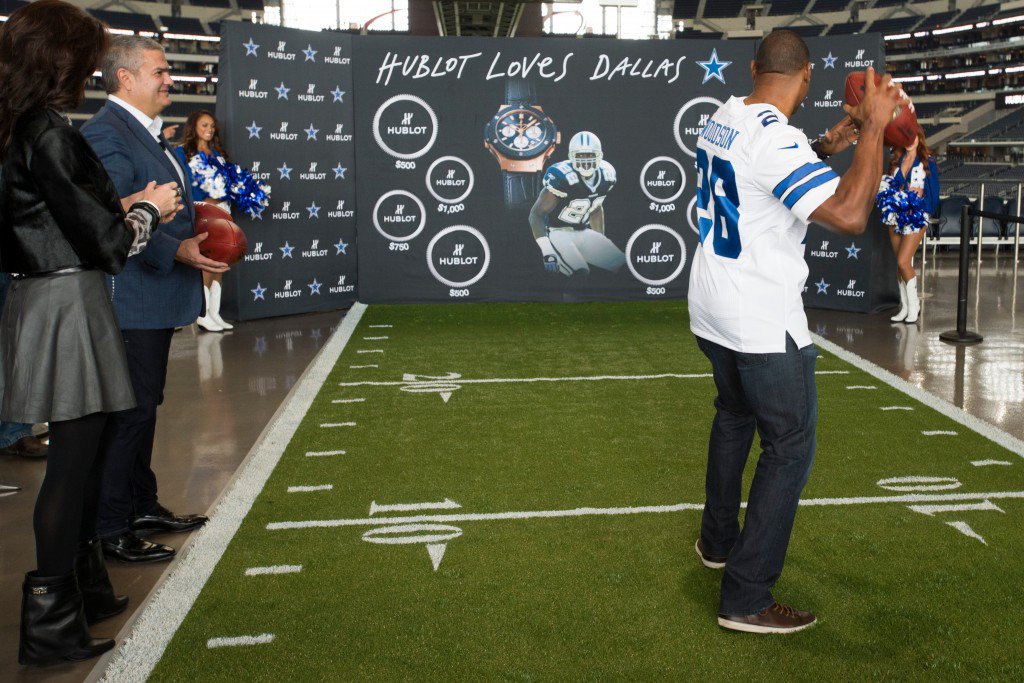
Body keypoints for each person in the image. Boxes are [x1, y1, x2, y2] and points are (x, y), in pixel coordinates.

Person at [687, 30, 902, 634]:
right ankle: (747, 596)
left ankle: (717, 541)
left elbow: (760, 173)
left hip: (712, 305)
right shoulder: (776, 140)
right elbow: (852, 214)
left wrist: (833, 141)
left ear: (756, 68)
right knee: (790, 446)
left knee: (733, 416)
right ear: (806, 76)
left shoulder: (724, 115)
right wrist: (877, 129)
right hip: (758, 315)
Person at [0, 0, 180, 665]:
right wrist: (149, 213)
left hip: (53, 296)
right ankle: (51, 620)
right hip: (66, 299)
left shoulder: (25, 127)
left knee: (86, 452)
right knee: (71, 468)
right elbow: (106, 242)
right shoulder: (46, 131)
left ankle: (80, 593)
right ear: (63, 60)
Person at [82, 35, 228, 564]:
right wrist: (181, 250)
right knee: (131, 413)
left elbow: (166, 206)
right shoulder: (105, 134)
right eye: (161, 71)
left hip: (153, 296)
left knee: (145, 408)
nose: (171, 80)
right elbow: (121, 219)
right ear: (124, 77)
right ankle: (113, 526)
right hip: (132, 297)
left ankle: (141, 505)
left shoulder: (146, 133)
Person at [529, 131, 625, 277]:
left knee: (623, 266)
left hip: (583, 232)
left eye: (590, 155)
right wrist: (547, 250)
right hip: (558, 233)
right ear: (571, 157)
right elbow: (535, 214)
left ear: (599, 156)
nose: (585, 161)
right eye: (580, 155)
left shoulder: (607, 174)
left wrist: (600, 237)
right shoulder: (562, 176)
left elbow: (595, 207)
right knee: (579, 274)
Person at [174, 109, 234, 332]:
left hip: (222, 211)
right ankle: (202, 314)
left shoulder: (217, 154)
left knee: (220, 263)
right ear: (194, 128)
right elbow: (183, 184)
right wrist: (205, 199)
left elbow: (229, 182)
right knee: (207, 262)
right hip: (202, 212)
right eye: (204, 126)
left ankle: (214, 313)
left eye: (212, 126)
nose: (209, 130)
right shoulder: (183, 153)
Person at [884, 127, 939, 324]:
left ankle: (914, 306)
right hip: (895, 216)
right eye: (906, 136)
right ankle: (904, 307)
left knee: (903, 262)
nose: (910, 140)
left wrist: (921, 208)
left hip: (916, 216)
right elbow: (890, 188)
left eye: (913, 136)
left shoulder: (927, 161)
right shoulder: (897, 160)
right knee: (898, 265)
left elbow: (934, 195)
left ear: (919, 138)